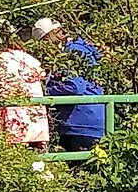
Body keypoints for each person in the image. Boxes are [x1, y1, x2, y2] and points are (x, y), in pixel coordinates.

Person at [35, 16, 111, 150]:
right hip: (91, 120)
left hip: (79, 123)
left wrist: (43, 91)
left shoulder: (70, 53)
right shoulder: (82, 49)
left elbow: (73, 86)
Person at [0, 41, 50, 148]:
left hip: (14, 118)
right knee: (36, 157)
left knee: (15, 153)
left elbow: (0, 90)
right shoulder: (29, 59)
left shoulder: (0, 61)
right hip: (37, 119)